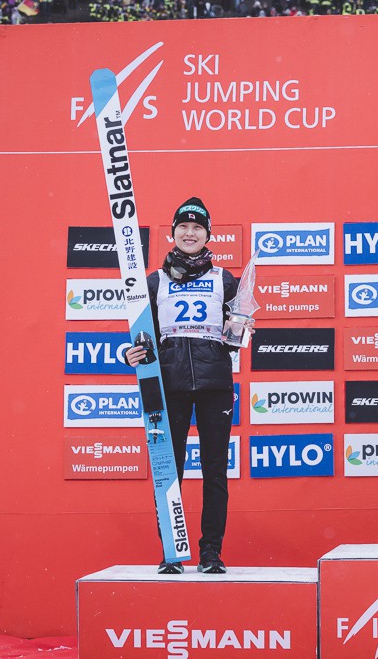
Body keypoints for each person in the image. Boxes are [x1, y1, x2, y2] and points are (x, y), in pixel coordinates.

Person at [124, 197, 238, 575]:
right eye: (183, 227)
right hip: (168, 386)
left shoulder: (224, 279)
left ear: (208, 234)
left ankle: (211, 553)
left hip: (215, 385)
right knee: (168, 470)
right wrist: (130, 353)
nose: (190, 233)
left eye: (197, 227)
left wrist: (242, 329)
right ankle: (171, 552)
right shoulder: (154, 282)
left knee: (214, 471)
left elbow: (237, 334)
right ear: (173, 233)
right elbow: (142, 338)